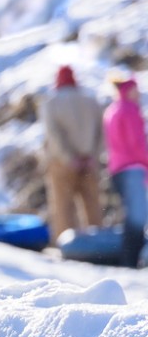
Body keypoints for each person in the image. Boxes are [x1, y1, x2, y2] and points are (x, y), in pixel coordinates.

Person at [42, 65, 106, 241]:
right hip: (89, 160)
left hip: (62, 163)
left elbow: (54, 134)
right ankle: (98, 245)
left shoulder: (52, 102)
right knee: (92, 205)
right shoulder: (90, 101)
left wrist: (69, 158)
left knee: (63, 207)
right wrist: (93, 155)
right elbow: (102, 131)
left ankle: (67, 247)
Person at [105, 75, 146, 268]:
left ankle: (129, 260)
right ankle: (130, 262)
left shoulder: (112, 109)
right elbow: (136, 143)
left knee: (132, 215)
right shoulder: (130, 109)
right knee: (137, 217)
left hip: (117, 169)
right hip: (132, 169)